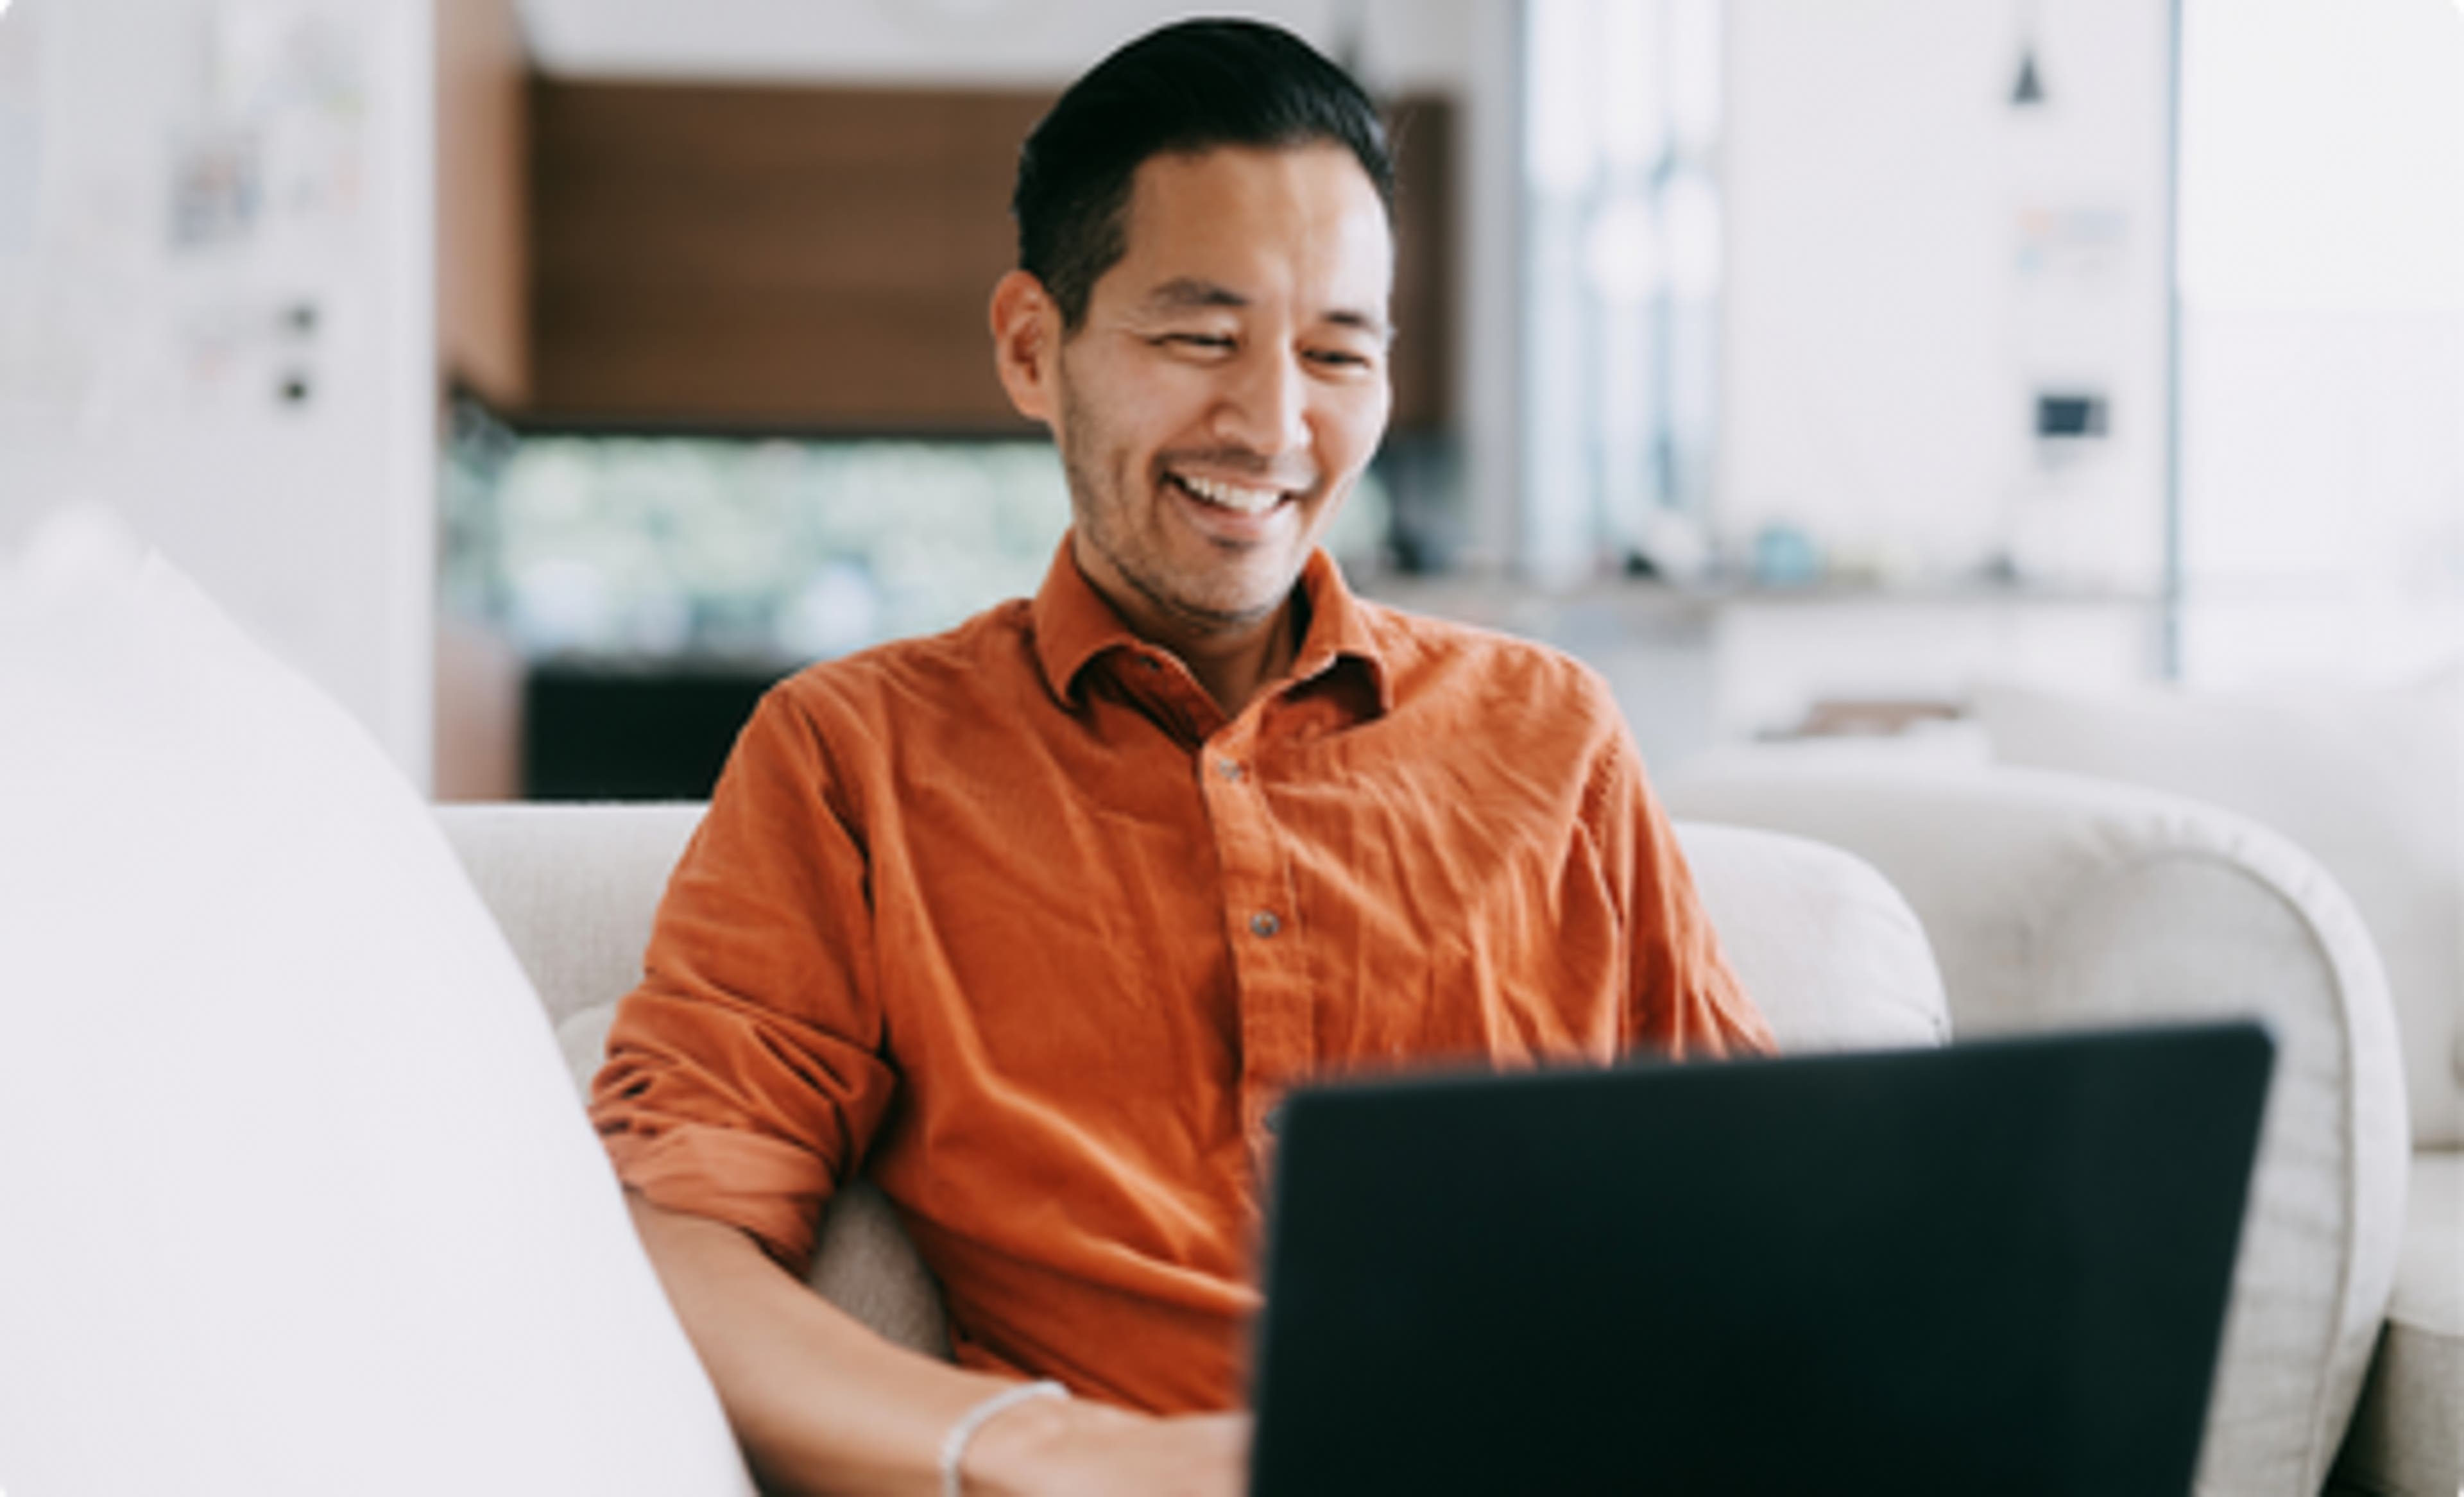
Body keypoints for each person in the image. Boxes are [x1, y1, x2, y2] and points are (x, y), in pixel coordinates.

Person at [590, 17, 1770, 1496]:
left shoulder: (1554, 737)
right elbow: (669, 1228)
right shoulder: (855, 758)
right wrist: (1039, 1451)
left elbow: (1762, 1210)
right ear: (1035, 347)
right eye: (1200, 338)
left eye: (1339, 350)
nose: (1275, 424)